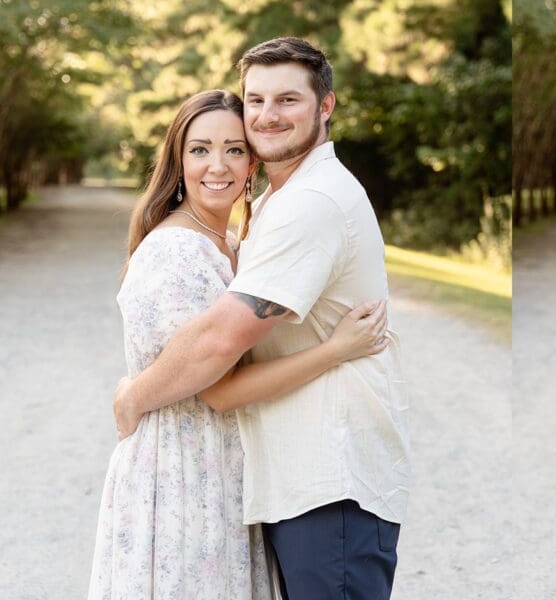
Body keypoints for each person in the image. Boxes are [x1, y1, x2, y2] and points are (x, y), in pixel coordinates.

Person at [113, 37, 411, 599]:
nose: (268, 116)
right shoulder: (277, 203)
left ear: (325, 106)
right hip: (300, 477)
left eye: (288, 100)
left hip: (330, 480)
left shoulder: (309, 203)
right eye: (256, 100)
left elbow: (220, 345)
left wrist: (134, 396)